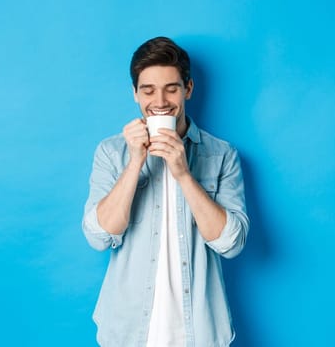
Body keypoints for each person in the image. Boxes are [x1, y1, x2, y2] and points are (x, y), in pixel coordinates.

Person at [81, 36, 250, 347]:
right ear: (135, 94)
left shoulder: (222, 154)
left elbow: (232, 243)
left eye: (171, 88)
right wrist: (134, 163)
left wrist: (183, 173)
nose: (159, 101)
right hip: (127, 331)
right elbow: (99, 236)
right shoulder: (111, 152)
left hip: (199, 331)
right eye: (148, 90)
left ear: (188, 89)